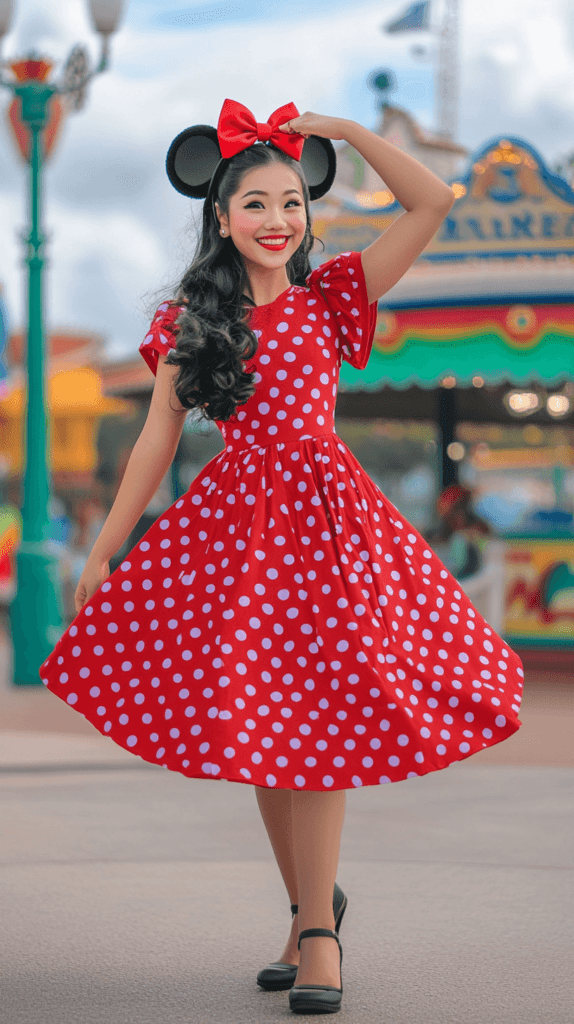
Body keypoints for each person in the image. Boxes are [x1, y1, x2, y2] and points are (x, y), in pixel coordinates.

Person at [39, 100, 524, 1015]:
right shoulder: (196, 323)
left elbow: (432, 203)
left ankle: (317, 935)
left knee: (324, 720)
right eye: (255, 203)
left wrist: (348, 135)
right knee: (264, 728)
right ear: (221, 216)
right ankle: (313, 903)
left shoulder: (334, 295)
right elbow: (153, 441)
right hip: (235, 538)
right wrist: (105, 550)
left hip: (330, 529)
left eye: (292, 201)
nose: (277, 220)